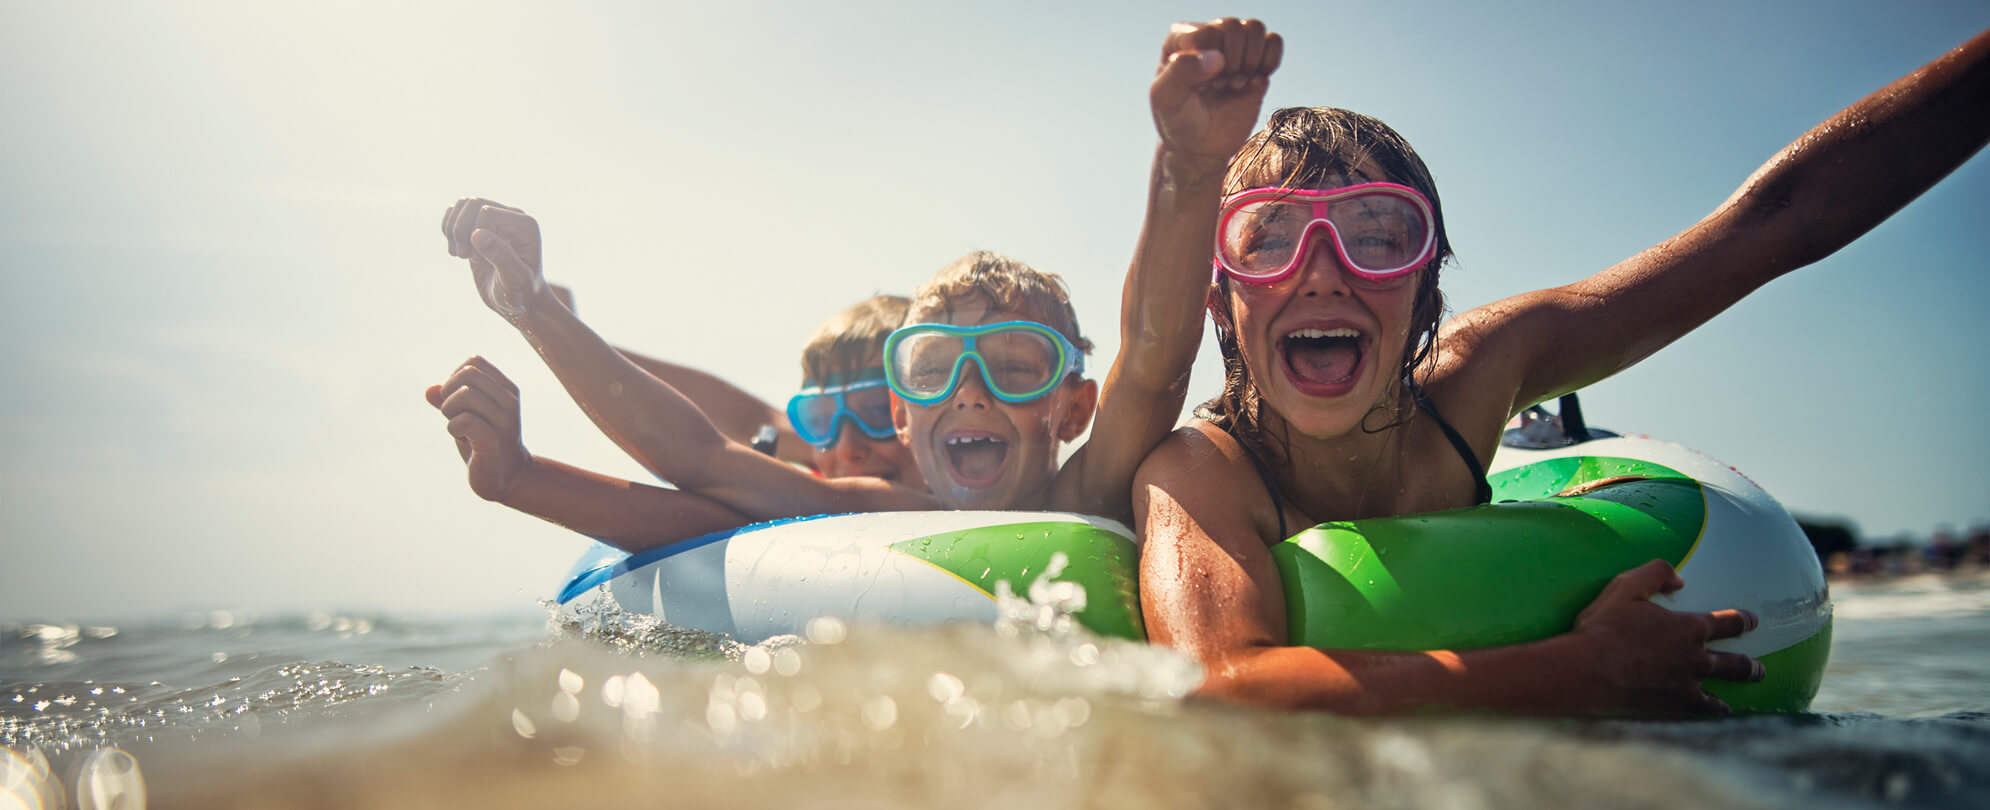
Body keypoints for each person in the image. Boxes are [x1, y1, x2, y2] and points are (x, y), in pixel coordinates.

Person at [1133, 22, 1990, 714]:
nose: (1321, 269)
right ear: (1224, 310)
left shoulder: (1476, 376)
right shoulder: (1201, 472)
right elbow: (1221, 689)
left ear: (1428, 301)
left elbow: (1769, 226)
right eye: (1269, 238)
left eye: (1377, 235)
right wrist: (1576, 669)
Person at [435, 24, 1279, 526]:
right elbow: (696, 451)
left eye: (1016, 366)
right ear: (903, 414)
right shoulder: (869, 513)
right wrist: (536, 309)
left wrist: (1191, 165)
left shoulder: (1083, 493)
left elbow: (1155, 354)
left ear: (1073, 408)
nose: (972, 393)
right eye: (934, 369)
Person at [424, 295, 924, 551]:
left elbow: (707, 460)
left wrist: (544, 317)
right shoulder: (830, 460)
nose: (847, 447)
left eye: (879, 412)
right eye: (818, 419)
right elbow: (750, 418)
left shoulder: (922, 498)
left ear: (917, 415)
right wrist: (574, 340)